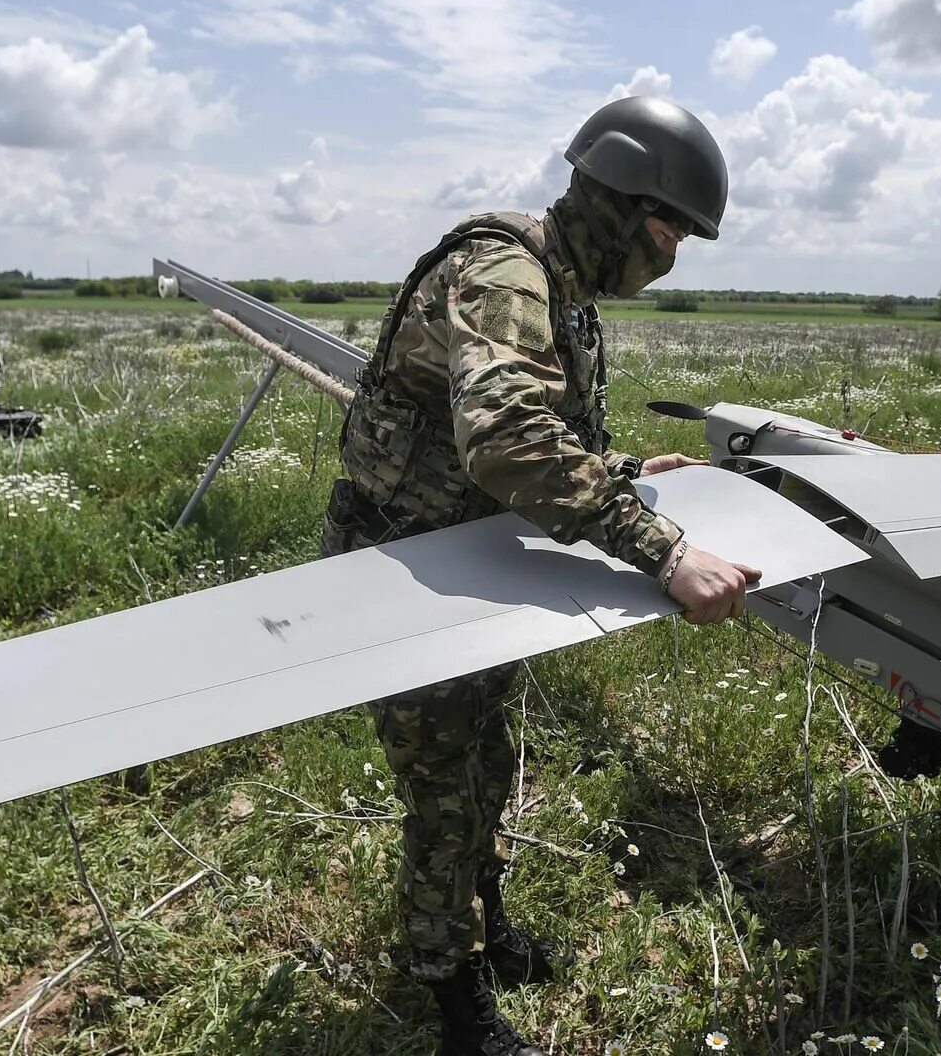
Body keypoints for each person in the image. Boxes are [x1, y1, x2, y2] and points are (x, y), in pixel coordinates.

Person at [320, 96, 760, 1056]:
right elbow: (508, 439)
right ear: (619, 201)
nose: (672, 254)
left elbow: (543, 438)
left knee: (485, 761)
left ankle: (485, 931)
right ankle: (452, 1001)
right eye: (669, 229)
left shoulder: (563, 288)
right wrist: (664, 551)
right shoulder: (507, 273)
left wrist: (626, 471)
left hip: (470, 555)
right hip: (404, 568)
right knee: (444, 793)